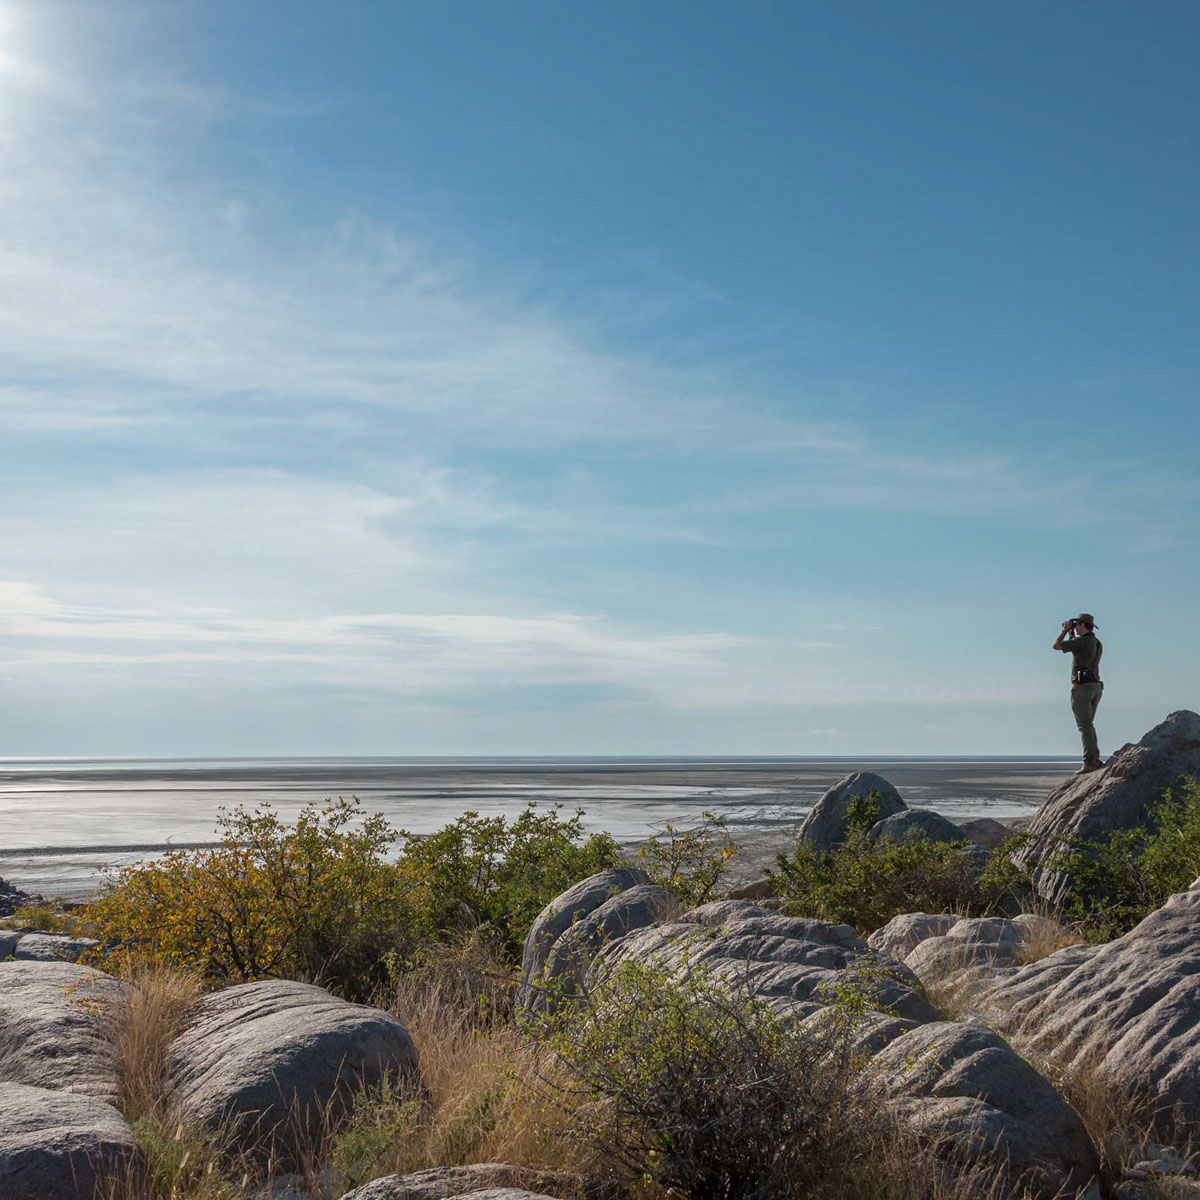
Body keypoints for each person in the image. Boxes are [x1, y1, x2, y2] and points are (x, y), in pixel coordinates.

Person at [1053, 613, 1104, 774]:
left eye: (1077, 625)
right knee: (1089, 725)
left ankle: (1090, 761)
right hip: (1095, 687)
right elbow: (1077, 650)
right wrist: (1071, 634)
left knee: (1085, 726)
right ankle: (1094, 758)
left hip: (1082, 689)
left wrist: (1064, 631)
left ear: (1083, 625)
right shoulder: (1096, 642)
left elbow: (1056, 646)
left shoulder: (1081, 641)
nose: (1075, 627)